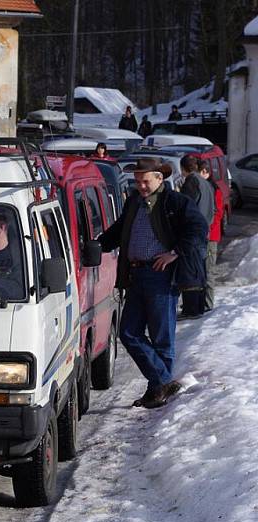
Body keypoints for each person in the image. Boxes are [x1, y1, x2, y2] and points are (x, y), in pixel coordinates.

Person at [98, 157, 208, 409]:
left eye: (145, 181)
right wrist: (95, 246)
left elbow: (198, 227)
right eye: (137, 181)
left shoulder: (176, 202)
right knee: (128, 332)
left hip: (160, 275)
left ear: (160, 178)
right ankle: (163, 381)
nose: (141, 186)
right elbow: (118, 230)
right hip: (136, 274)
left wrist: (175, 252)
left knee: (161, 336)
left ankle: (156, 389)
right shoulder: (135, 202)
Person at [178, 154, 215, 319]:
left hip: (193, 233)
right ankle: (198, 306)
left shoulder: (191, 181)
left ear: (183, 169)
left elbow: (185, 206)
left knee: (191, 271)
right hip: (204, 231)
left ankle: (192, 309)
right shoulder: (206, 183)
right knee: (200, 270)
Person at [199, 159, 223, 312]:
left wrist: (207, 230)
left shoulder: (214, 189)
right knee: (201, 270)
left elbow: (218, 214)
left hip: (210, 236)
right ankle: (200, 302)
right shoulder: (203, 187)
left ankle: (208, 303)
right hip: (203, 235)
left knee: (208, 271)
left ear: (207, 173)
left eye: (201, 173)